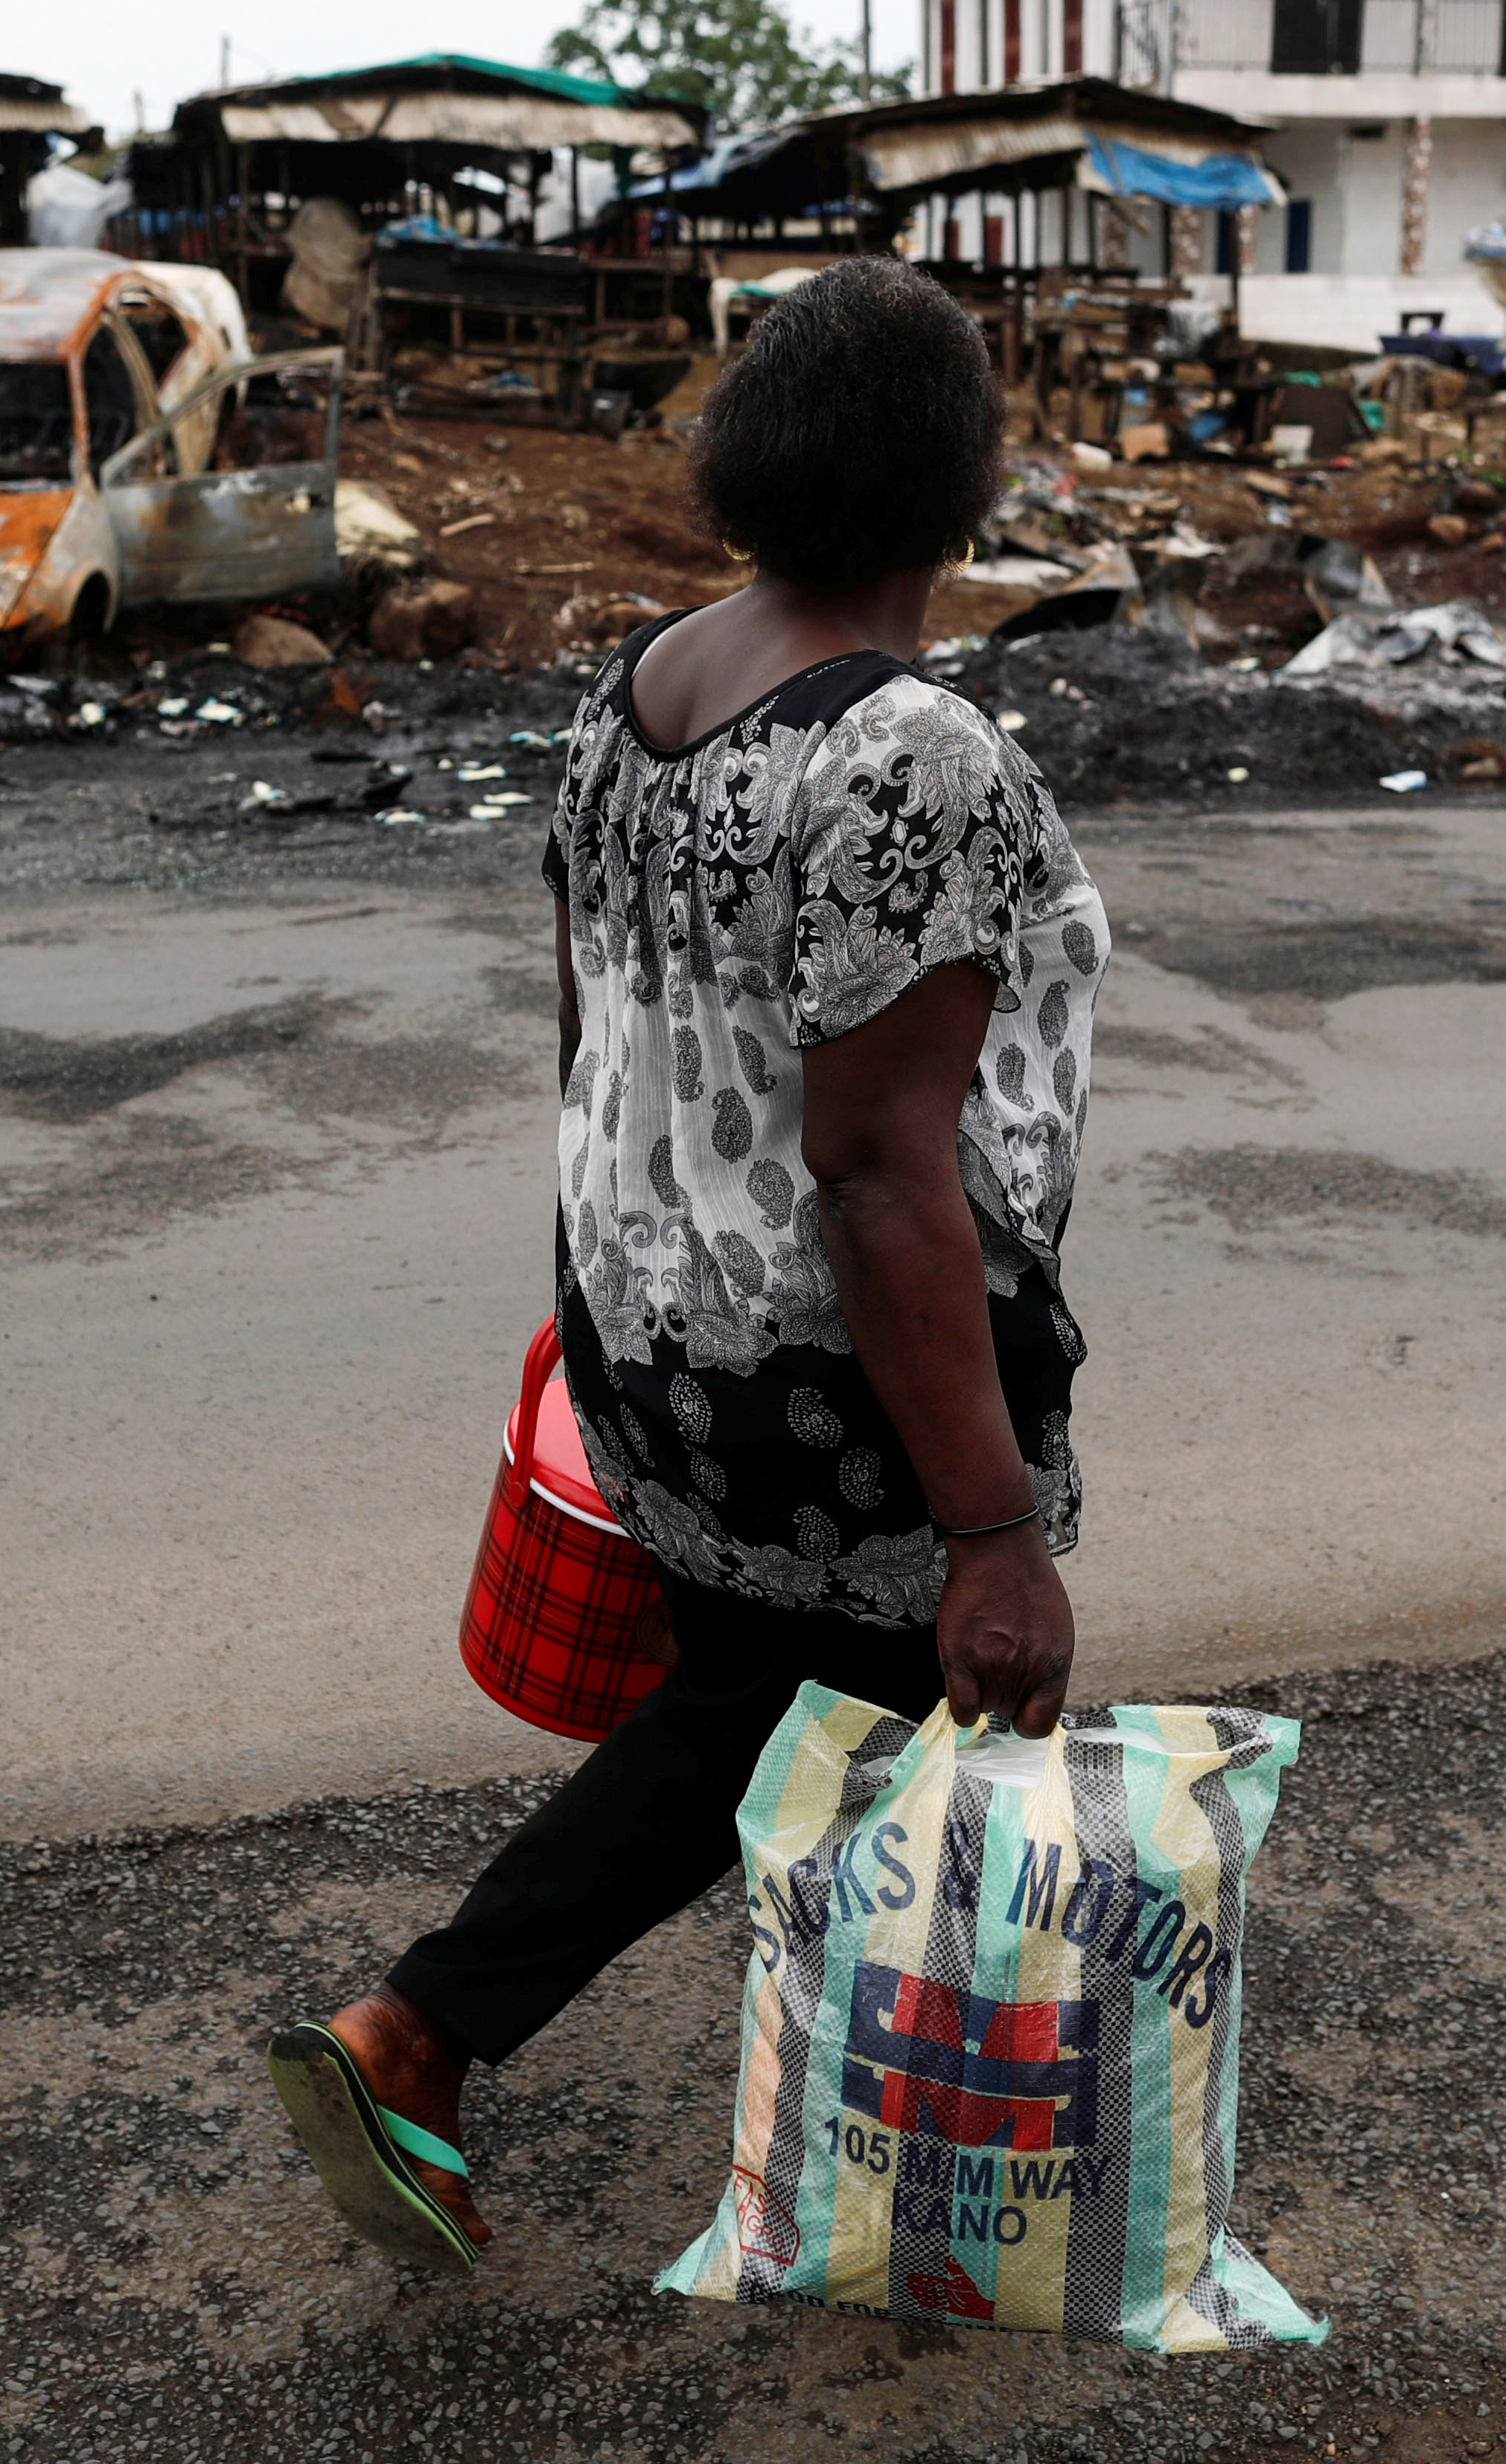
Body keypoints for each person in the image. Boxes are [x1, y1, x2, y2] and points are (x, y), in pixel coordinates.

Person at [265, 257, 1107, 2266]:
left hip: (668, 1325)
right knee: (905, 1699)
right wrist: (991, 1524)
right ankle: (899, 2154)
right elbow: (886, 1165)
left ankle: (460, 2038)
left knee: (754, 1700)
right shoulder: (908, 752)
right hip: (843, 1371)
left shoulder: (640, 692)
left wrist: (611, 1295)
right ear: (951, 480)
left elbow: (599, 1029)